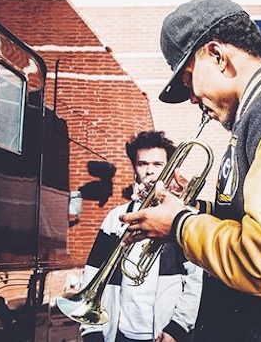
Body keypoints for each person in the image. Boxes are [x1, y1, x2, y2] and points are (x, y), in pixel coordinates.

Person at [120, 0, 261, 341]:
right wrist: (191, 209)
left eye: (188, 80)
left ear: (217, 55)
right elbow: (247, 221)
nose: (192, 98)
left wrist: (180, 224)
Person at [80, 131, 203, 342]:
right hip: (118, 334)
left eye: (158, 164)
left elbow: (195, 280)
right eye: (142, 164)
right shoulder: (116, 218)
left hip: (164, 334)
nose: (150, 171)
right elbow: (92, 273)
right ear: (135, 168)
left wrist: (177, 328)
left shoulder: (181, 218)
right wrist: (91, 331)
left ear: (170, 168)